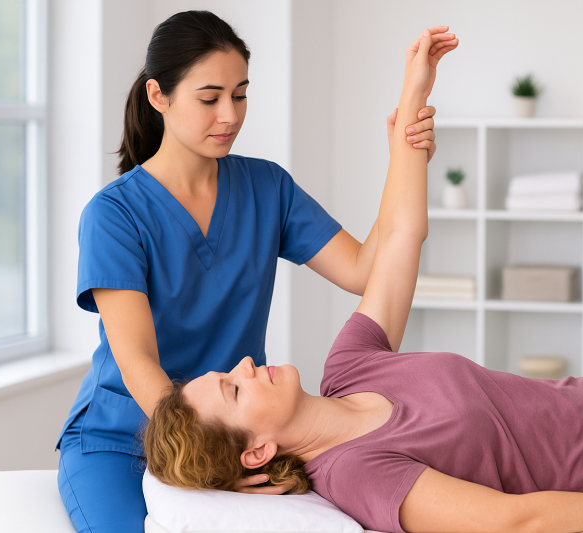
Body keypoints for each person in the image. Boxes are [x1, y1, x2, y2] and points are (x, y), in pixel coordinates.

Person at [144, 25, 583, 533]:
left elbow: (401, 242)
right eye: (234, 389)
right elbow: (515, 518)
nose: (245, 365)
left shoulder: (349, 366)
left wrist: (413, 99)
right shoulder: (358, 475)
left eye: (227, 373)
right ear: (258, 451)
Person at [55, 10, 451, 533]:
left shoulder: (267, 188)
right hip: (121, 439)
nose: (230, 115)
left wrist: (404, 152)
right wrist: (206, 457)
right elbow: (137, 363)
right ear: (159, 96)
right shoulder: (114, 215)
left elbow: (364, 269)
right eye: (209, 97)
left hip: (238, 437)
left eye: (240, 95)